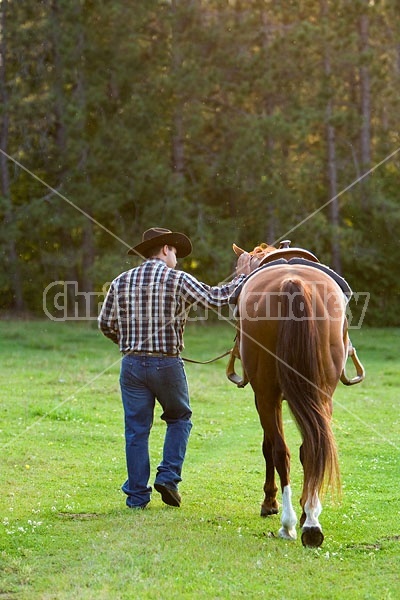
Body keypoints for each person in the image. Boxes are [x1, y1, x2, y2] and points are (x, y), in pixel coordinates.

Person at [98, 227, 245, 509]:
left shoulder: (121, 281)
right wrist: (243, 278)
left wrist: (129, 342)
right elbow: (216, 299)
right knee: (179, 418)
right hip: (166, 363)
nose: (176, 257)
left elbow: (105, 323)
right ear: (165, 249)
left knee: (136, 430)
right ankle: (168, 476)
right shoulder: (176, 279)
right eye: (175, 251)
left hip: (130, 365)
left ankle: (138, 497)